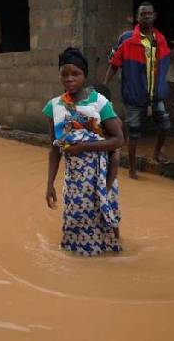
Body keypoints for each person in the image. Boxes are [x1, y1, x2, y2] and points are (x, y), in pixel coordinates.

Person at [43, 47, 125, 256]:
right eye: (65, 74)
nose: (70, 79)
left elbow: (118, 140)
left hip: (101, 174)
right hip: (74, 178)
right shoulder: (54, 106)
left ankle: (113, 255)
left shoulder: (99, 102)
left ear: (84, 75)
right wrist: (50, 183)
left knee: (106, 217)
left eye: (75, 74)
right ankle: (81, 258)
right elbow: (55, 150)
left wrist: (84, 147)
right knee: (76, 219)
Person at [104, 2, 174, 179]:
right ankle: (131, 168)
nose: (146, 17)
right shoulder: (128, 41)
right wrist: (104, 85)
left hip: (155, 94)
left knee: (165, 126)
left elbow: (166, 58)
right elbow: (115, 64)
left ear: (154, 16)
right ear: (138, 18)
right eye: (143, 14)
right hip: (134, 95)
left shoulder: (159, 40)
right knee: (134, 132)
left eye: (149, 14)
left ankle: (156, 153)